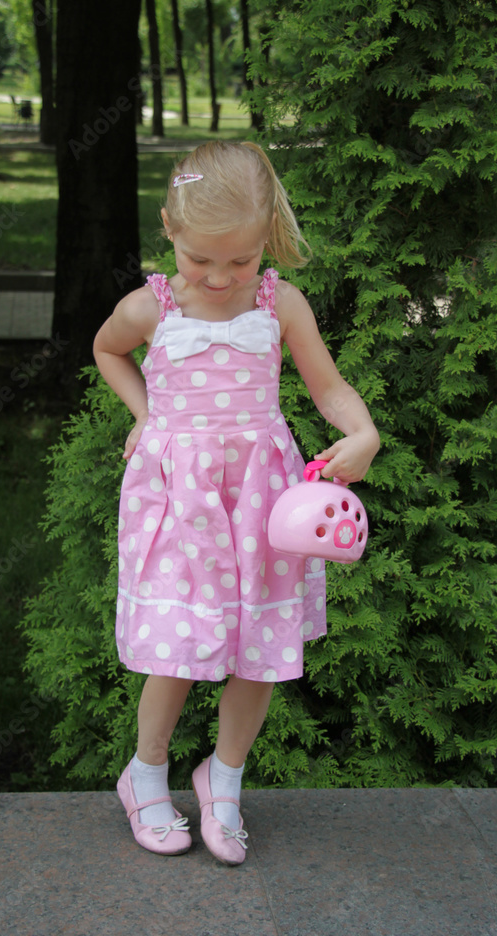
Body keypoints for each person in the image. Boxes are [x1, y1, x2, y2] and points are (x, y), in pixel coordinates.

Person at [93, 140, 380, 865]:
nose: (220, 278)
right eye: (201, 260)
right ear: (169, 228)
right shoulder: (149, 308)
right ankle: (145, 774)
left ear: (265, 241)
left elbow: (328, 387)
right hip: (178, 503)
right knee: (178, 649)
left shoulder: (280, 305)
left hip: (262, 503)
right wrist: (146, 414)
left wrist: (362, 432)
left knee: (260, 651)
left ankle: (223, 780)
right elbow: (105, 350)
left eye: (241, 261)